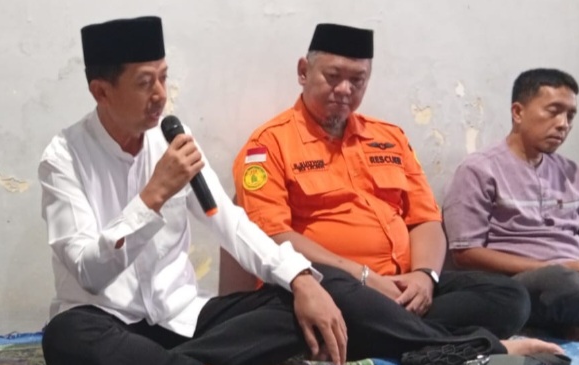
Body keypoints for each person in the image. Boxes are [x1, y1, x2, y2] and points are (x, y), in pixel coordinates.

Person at [38, 17, 548, 365]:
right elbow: (88, 271)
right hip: (108, 321)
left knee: (319, 295)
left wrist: (301, 279)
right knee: (66, 341)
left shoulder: (172, 137)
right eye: (144, 83)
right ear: (101, 91)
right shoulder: (62, 158)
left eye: (164, 78)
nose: (160, 96)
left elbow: (230, 223)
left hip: (185, 320)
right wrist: (151, 198)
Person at [232, 23, 547, 346]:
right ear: (303, 71)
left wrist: (424, 276)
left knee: (510, 297)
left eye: (357, 80)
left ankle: (399, 337)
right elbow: (271, 236)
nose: (345, 89)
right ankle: (457, 347)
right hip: (332, 287)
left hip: (400, 288)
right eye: (333, 76)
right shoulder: (269, 145)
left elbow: (425, 219)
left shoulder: (389, 137)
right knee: (336, 289)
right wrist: (364, 278)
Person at [444, 68, 579, 341]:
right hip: (518, 284)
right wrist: (554, 268)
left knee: (576, 284)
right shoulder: (480, 170)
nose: (563, 124)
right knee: (560, 281)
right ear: (518, 112)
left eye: (570, 116)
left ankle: (578, 319)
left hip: (576, 281)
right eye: (553, 111)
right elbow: (465, 253)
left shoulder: (573, 173)